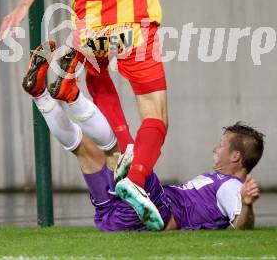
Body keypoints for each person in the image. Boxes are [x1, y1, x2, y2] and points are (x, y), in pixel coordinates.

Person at [0, 0, 180, 229]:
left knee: (99, 83)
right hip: (134, 24)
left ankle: (118, 148)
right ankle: (135, 177)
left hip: (92, 27)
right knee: (156, 117)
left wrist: (22, 6)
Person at [21, 43, 264, 231]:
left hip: (158, 211)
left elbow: (241, 225)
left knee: (122, 151)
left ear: (236, 156)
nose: (215, 148)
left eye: (221, 146)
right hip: (117, 219)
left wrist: (247, 205)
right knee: (85, 150)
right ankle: (41, 95)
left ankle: (71, 96)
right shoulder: (220, 180)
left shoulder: (232, 186)